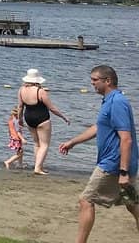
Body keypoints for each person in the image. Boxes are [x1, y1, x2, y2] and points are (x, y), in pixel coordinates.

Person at [59, 65, 139, 243]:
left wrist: (124, 172)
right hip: (119, 163)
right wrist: (73, 142)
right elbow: (98, 127)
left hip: (114, 164)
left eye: (95, 80)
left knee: (86, 200)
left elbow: (126, 139)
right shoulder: (109, 101)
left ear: (108, 81)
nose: (92, 83)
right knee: (132, 204)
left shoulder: (117, 102)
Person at [18, 67, 70, 174]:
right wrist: (63, 117)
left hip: (29, 118)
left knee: (36, 143)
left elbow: (20, 107)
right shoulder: (40, 91)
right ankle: (38, 168)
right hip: (42, 118)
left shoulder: (21, 90)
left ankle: (38, 166)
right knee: (44, 144)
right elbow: (52, 108)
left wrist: (20, 119)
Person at [4, 105, 25, 169]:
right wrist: (23, 139)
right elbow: (18, 132)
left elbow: (10, 129)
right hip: (17, 139)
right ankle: (8, 162)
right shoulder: (16, 121)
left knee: (20, 151)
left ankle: (20, 164)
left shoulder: (11, 120)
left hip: (13, 138)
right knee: (20, 153)